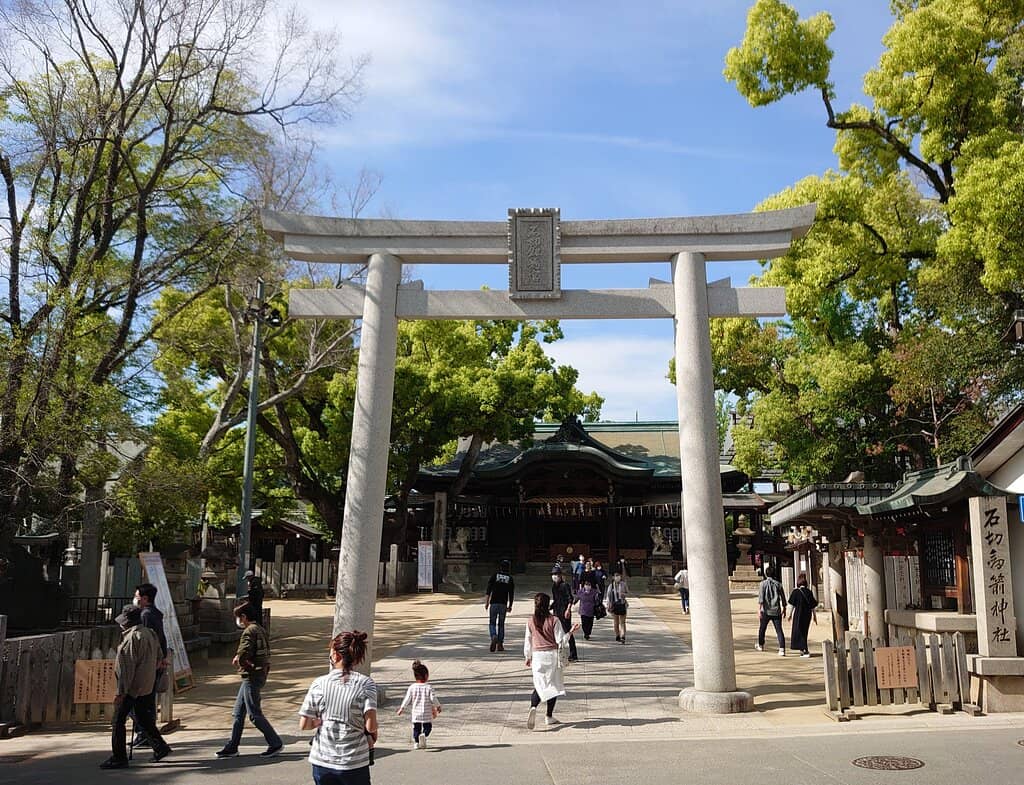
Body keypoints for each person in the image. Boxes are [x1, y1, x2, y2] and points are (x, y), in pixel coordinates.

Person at [299, 630, 378, 784]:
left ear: (335, 655)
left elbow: (304, 724)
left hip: (322, 759)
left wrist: (319, 722)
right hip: (354, 762)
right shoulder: (366, 684)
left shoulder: (319, 684)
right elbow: (371, 725)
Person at [100, 605, 171, 769]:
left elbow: (127, 669)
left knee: (118, 720)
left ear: (127, 623)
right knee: (142, 716)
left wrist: (121, 692)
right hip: (147, 684)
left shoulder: (132, 638)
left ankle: (119, 757)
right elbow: (160, 656)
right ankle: (160, 746)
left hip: (132, 687)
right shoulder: (150, 633)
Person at [216, 603, 283, 758]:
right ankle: (232, 745)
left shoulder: (249, 632)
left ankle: (275, 742)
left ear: (244, 617)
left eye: (239, 618)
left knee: (254, 713)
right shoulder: (260, 629)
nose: (238, 621)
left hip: (251, 675)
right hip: (259, 673)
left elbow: (244, 652)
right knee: (238, 712)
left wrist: (239, 659)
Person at [524, 592, 578, 729]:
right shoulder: (554, 620)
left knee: (539, 684)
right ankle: (548, 715)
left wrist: (528, 656)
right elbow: (561, 641)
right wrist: (571, 632)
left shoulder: (530, 621)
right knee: (552, 686)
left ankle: (533, 706)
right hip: (552, 655)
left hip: (537, 656)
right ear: (548, 604)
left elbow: (528, 641)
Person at [130, 582, 167, 748]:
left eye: (137, 597)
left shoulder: (146, 615)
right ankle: (146, 735)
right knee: (147, 702)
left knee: (139, 703)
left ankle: (144, 734)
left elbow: (148, 641)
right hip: (156, 662)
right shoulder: (155, 613)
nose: (135, 599)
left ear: (145, 598)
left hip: (149, 664)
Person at [397, 660, 441, 749]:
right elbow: (433, 698)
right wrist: (438, 706)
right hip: (426, 713)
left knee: (416, 729)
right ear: (426, 676)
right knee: (428, 727)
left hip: (416, 713)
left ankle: (416, 743)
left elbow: (407, 699)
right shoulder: (429, 687)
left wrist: (402, 708)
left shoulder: (412, 687)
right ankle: (424, 735)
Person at [484, 559, 515, 652]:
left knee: (492, 622)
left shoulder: (495, 576)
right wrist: (510, 605)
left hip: (494, 603)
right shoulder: (510, 578)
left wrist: (487, 602)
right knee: (501, 624)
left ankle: (493, 635)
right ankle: (500, 644)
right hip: (503, 604)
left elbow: (488, 590)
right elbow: (511, 594)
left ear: (500, 567)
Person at [756, 565, 787, 656]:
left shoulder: (763, 584)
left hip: (766, 610)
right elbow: (783, 598)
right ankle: (782, 649)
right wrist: (784, 608)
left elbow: (761, 598)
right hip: (776, 610)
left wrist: (759, 609)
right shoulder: (778, 584)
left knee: (762, 628)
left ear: (766, 574)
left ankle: (761, 645)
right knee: (779, 630)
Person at [550, 567, 578, 661]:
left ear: (560, 576)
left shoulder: (565, 585)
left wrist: (568, 610)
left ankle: (573, 654)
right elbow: (556, 600)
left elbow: (570, 599)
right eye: (553, 575)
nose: (555, 577)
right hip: (556, 611)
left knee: (567, 631)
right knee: (555, 632)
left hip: (564, 611)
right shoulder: (554, 586)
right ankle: (557, 651)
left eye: (557, 575)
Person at [787, 573, 818, 657]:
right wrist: (815, 617)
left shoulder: (795, 592)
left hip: (798, 614)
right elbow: (813, 606)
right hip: (807, 615)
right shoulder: (809, 592)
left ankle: (804, 650)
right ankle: (803, 649)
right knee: (804, 631)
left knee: (798, 631)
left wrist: (789, 615)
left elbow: (792, 606)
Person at [605, 570, 629, 644]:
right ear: (613, 577)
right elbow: (608, 596)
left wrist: (624, 594)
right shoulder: (611, 586)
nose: (617, 577)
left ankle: (623, 636)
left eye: (618, 576)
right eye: (616, 576)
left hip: (622, 604)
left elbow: (627, 593)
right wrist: (608, 604)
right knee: (616, 622)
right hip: (614, 604)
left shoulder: (623, 584)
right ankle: (617, 635)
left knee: (622, 621)